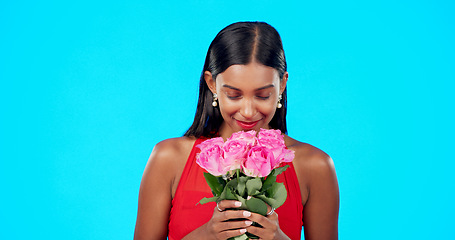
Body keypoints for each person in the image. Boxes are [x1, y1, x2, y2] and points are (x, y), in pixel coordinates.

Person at [134, 21, 339, 240]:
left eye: (262, 95)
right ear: (212, 84)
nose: (248, 111)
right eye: (234, 95)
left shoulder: (315, 166)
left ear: (282, 85)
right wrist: (206, 235)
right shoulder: (169, 158)